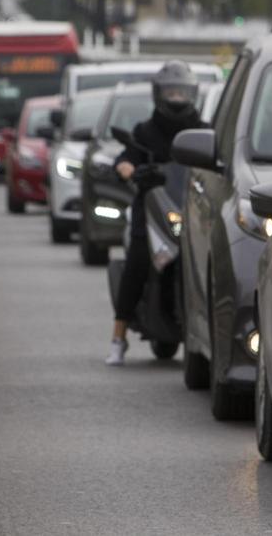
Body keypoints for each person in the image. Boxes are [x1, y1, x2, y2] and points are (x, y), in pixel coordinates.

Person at [107, 61, 205, 366]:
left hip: (191, 208)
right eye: (171, 91)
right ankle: (118, 338)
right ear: (158, 94)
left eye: (182, 92)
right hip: (151, 208)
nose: (176, 98)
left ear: (192, 94)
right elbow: (126, 156)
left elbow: (218, 160)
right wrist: (127, 168)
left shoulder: (203, 130)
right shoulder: (144, 131)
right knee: (137, 259)